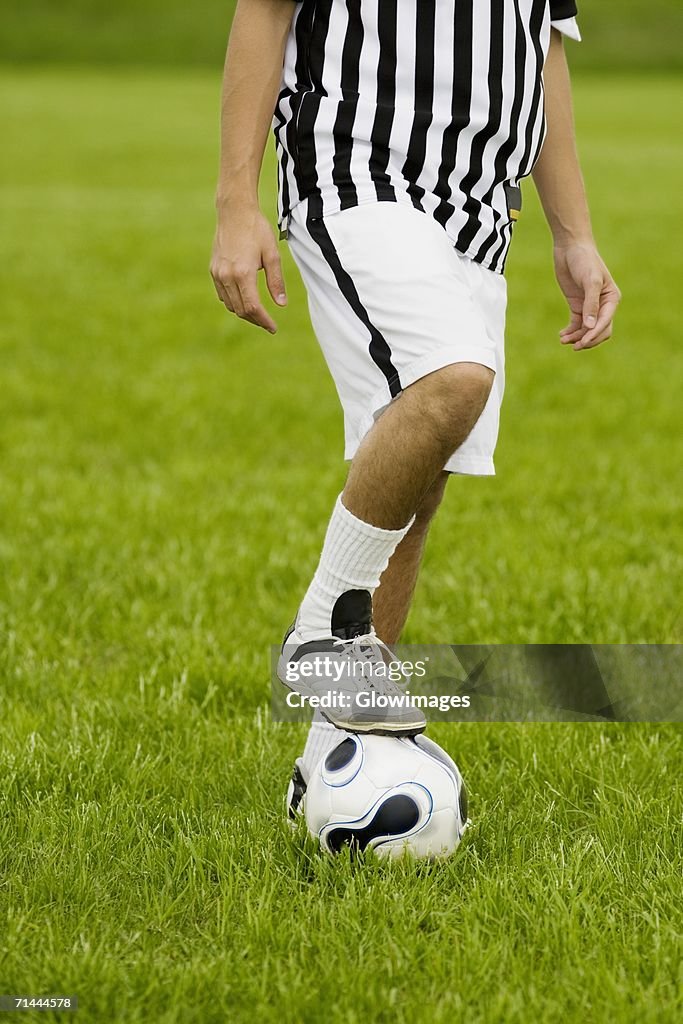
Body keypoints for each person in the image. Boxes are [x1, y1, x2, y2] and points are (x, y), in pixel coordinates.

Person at [210, 0, 621, 809]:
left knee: (414, 478)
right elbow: (264, 7)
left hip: (478, 209)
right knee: (453, 378)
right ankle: (325, 634)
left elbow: (540, 51)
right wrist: (235, 200)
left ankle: (335, 757)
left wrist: (571, 234)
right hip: (357, 169)